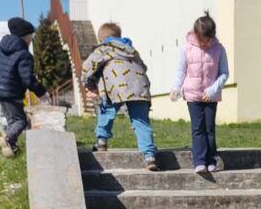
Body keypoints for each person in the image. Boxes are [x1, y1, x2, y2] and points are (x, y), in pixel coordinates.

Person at [81, 23, 158, 170]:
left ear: (100, 39)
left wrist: (90, 85)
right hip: (139, 86)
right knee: (141, 121)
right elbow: (144, 67)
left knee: (106, 110)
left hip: (114, 86)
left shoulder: (103, 48)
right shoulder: (131, 50)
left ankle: (101, 141)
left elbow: (87, 68)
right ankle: (150, 156)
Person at [170, 12, 229, 174]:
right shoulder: (186, 49)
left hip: (211, 97)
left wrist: (213, 90)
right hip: (193, 95)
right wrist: (176, 87)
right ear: (196, 34)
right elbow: (180, 71)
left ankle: (211, 160)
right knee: (198, 129)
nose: (207, 43)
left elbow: (224, 73)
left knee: (209, 128)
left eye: (209, 39)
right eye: (204, 39)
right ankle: (200, 161)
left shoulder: (219, 49)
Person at [0, 18, 47, 158]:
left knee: (12, 120)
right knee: (20, 121)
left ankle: (11, 149)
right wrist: (42, 92)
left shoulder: (1, 49)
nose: (32, 38)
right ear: (24, 36)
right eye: (31, 35)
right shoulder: (24, 55)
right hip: (12, 92)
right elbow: (28, 79)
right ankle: (8, 138)